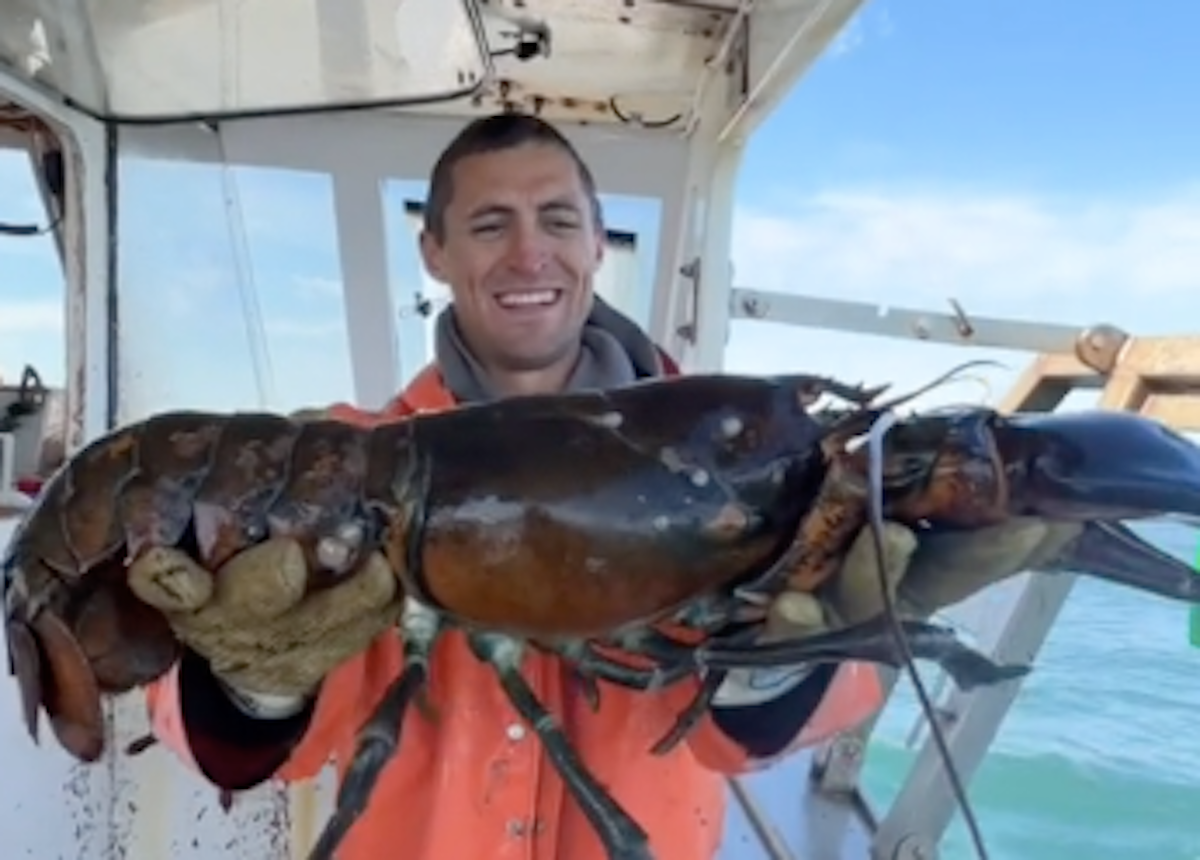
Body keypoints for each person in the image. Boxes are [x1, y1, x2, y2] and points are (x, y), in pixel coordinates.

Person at [132, 112, 1059, 860]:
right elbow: (240, 749)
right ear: (434, 253)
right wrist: (250, 683)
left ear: (595, 244)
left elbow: (751, 737)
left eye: (558, 220)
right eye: (490, 225)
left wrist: (791, 656)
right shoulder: (336, 460)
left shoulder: (731, 463)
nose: (530, 254)